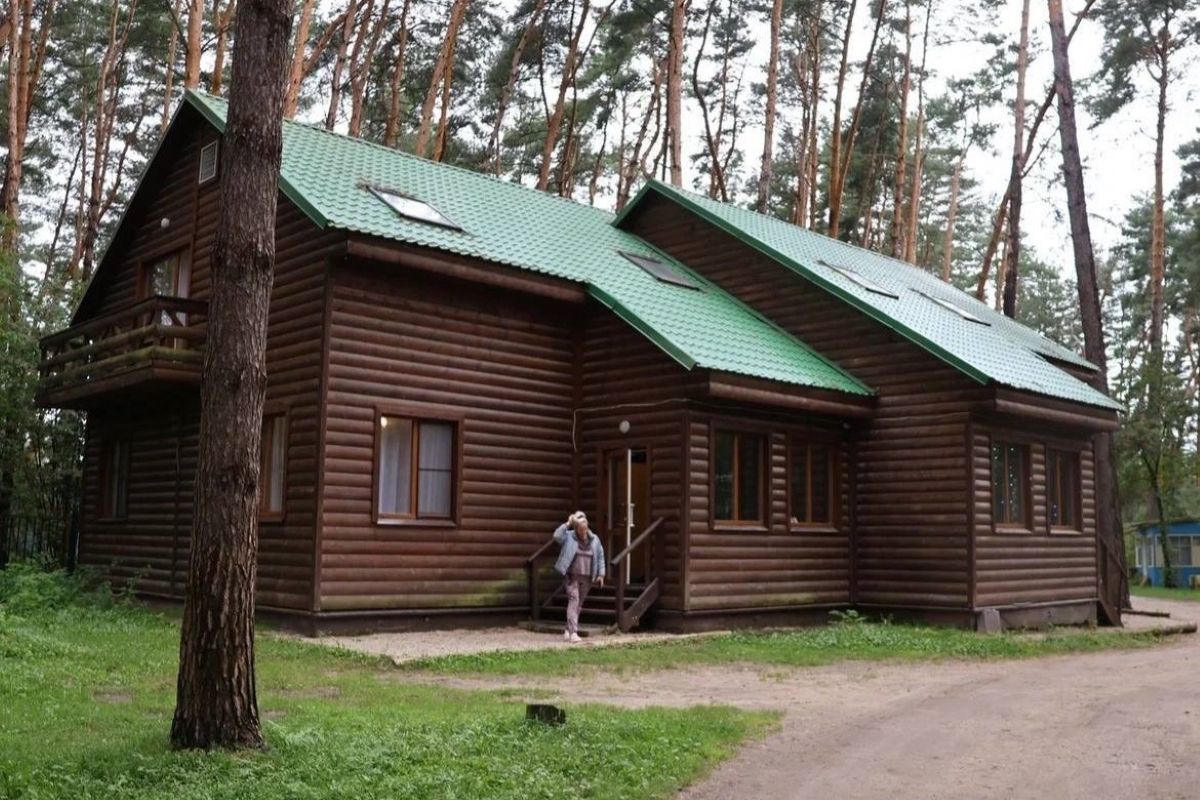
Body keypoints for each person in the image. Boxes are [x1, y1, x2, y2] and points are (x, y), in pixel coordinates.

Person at [552, 511, 606, 643]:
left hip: (587, 576)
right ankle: (574, 633)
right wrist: (568, 523)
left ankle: (568, 629)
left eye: (585, 529)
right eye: (580, 530)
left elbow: (600, 557)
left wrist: (601, 574)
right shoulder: (569, 537)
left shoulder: (595, 539)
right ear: (576, 529)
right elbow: (556, 536)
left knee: (579, 604)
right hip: (571, 576)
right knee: (574, 601)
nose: (583, 533)